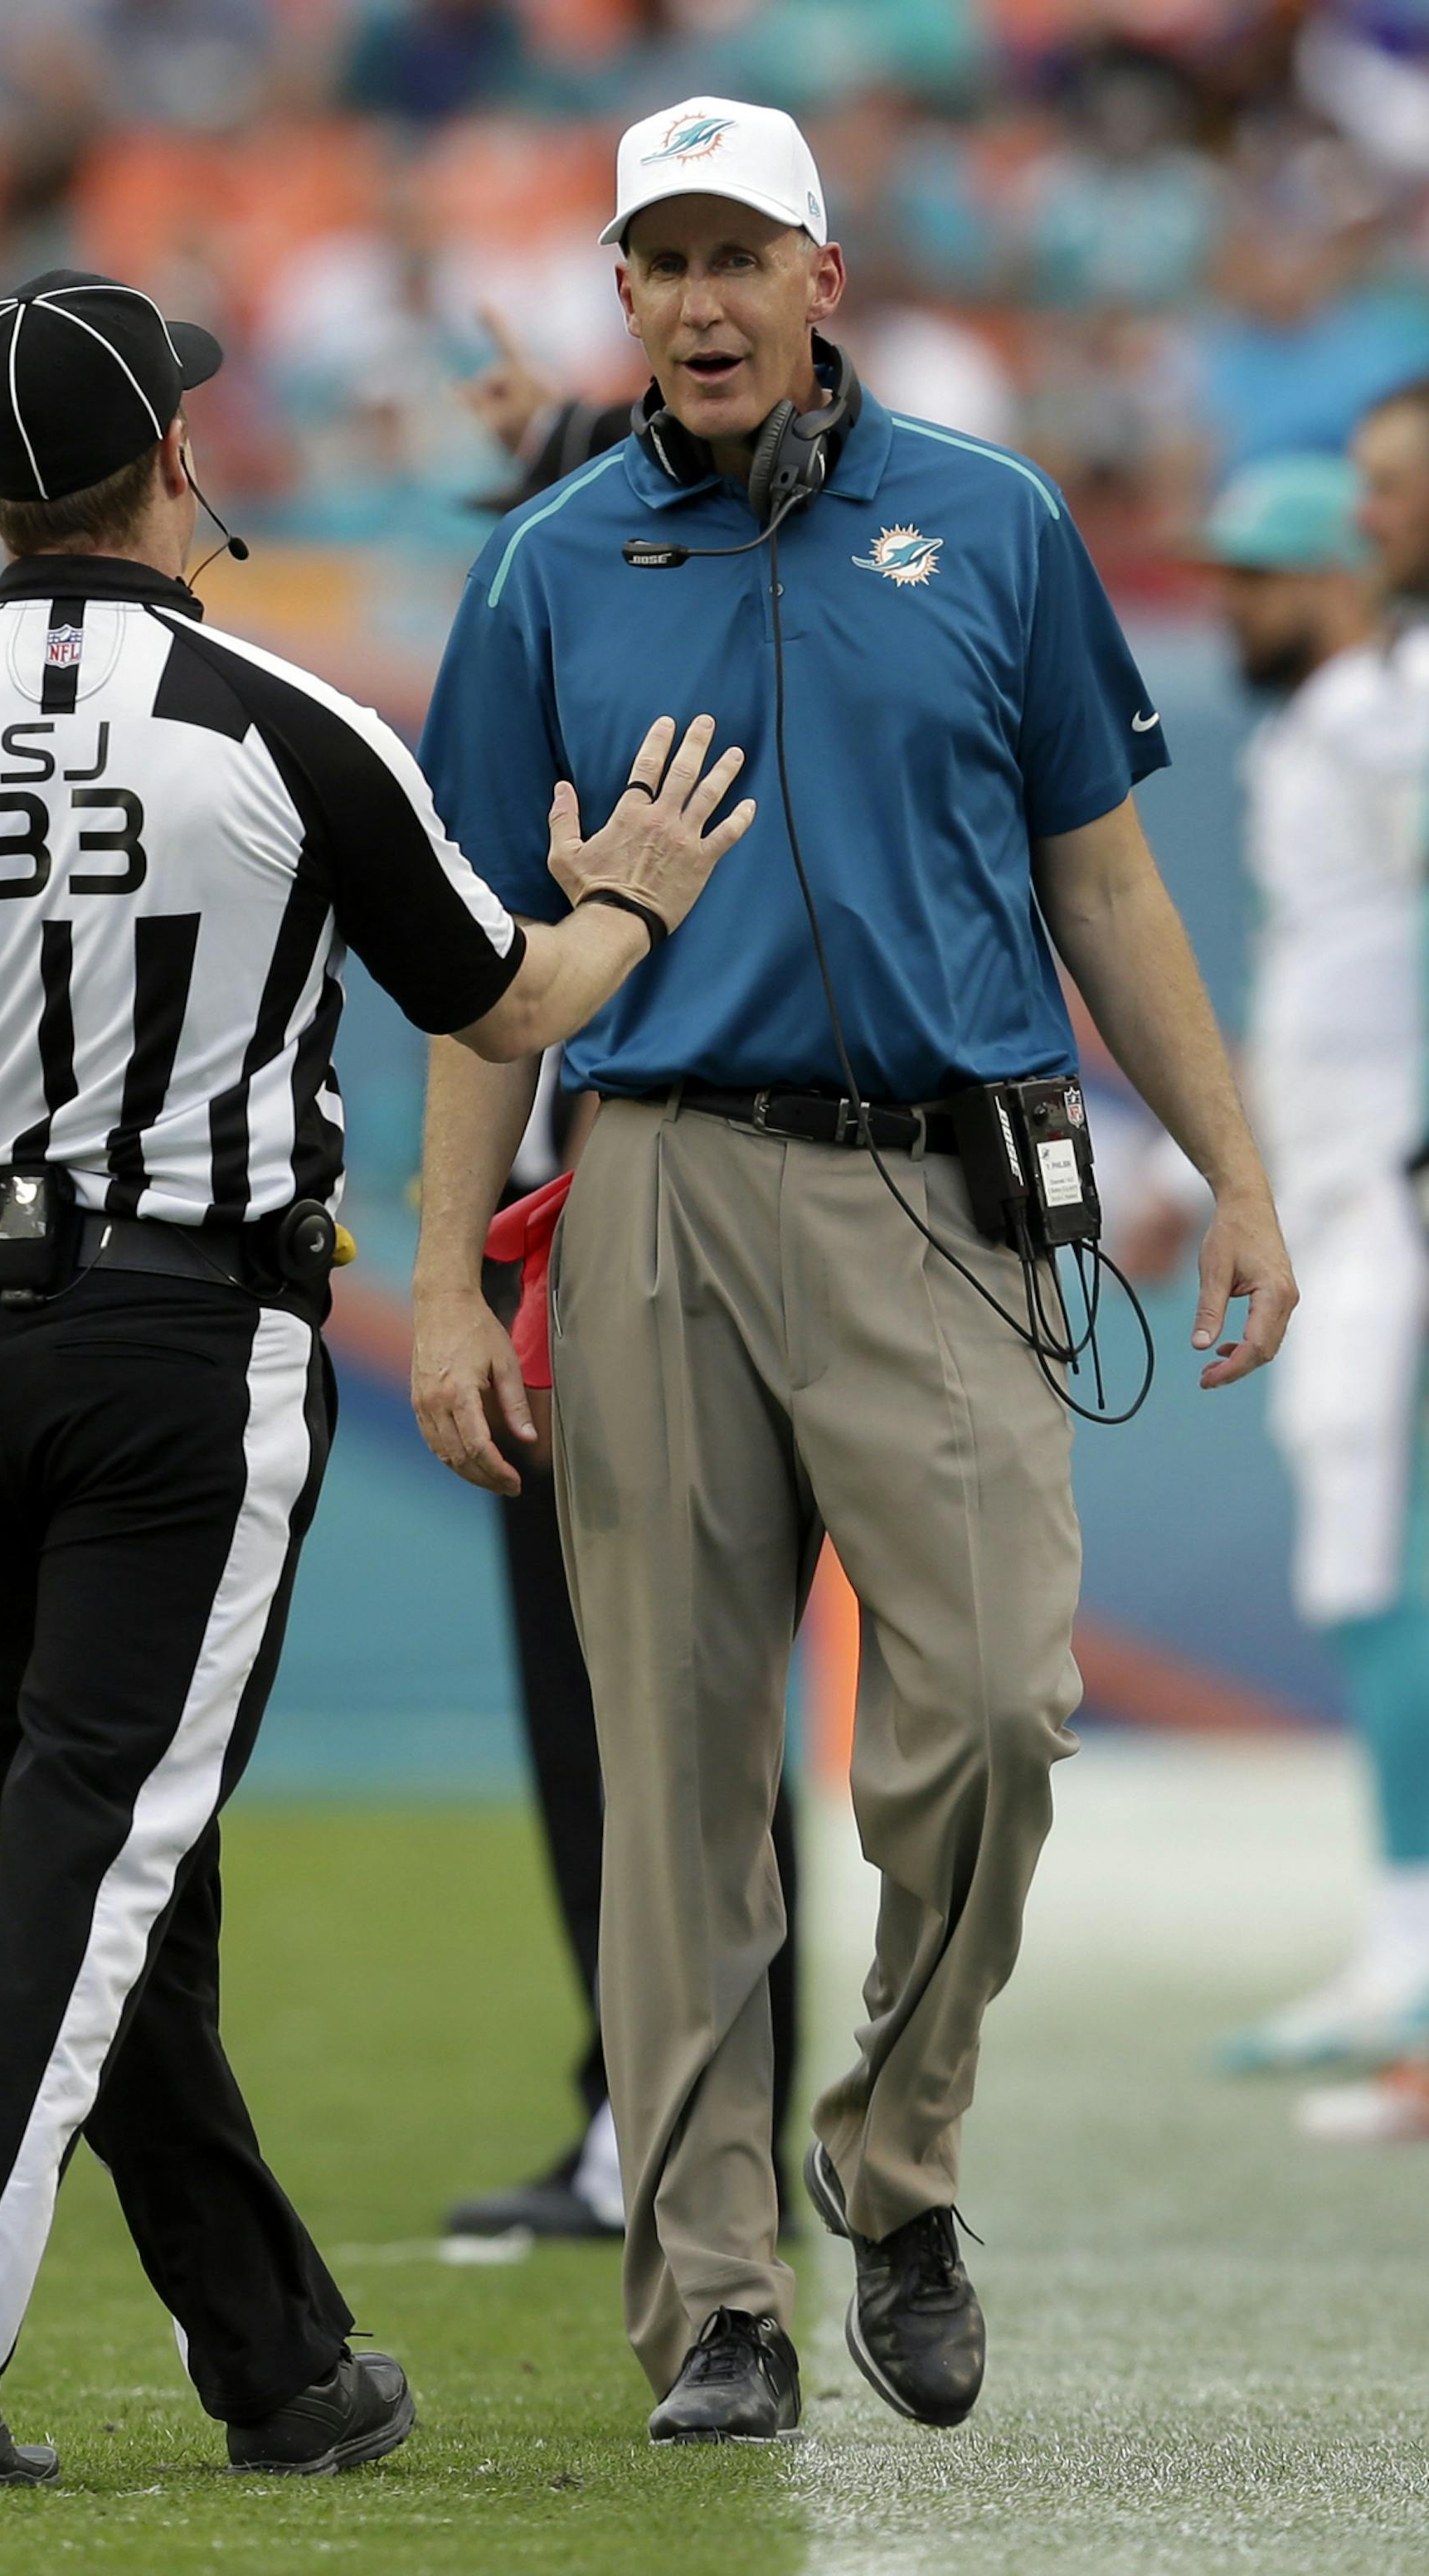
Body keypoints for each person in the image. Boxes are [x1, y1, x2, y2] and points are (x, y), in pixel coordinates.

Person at [0, 265, 755, 2490]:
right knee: (101, 1863)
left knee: (102, 1859)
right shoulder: (286, 721)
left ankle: (279, 2358)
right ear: (177, 461)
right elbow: (504, 1002)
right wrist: (643, 899)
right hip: (190, 1340)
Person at [410, 96, 1296, 2446]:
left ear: (826, 280)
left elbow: (1108, 883)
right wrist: (427, 1291)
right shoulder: (545, 570)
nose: (696, 302)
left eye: (738, 256)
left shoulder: (992, 522)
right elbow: (483, 975)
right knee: (681, 1777)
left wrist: (1243, 1171)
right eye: (658, 262)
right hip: (659, 1190)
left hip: (945, 1185)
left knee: (999, 1712)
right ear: (625, 297)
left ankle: (894, 2166)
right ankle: (714, 2291)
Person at [445, 318, 803, 2246]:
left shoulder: (691, 682)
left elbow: (510, 992)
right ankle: (651, 2102)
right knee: (639, 1704)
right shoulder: (608, 617)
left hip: (658, 1209)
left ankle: (692, 2116)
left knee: (665, 1704)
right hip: (575, 1217)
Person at [1127, 449, 1429, 2092]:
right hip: (1338, 1177)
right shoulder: (1332, 729)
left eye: (1262, 573)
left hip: (1392, 1189)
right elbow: (1318, 995)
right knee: (1369, 1562)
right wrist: (1197, 1170)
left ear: (1340, 574)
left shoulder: (1394, 708)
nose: (1232, 600)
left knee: (1381, 1563)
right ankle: (1404, 1939)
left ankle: (1410, 1946)